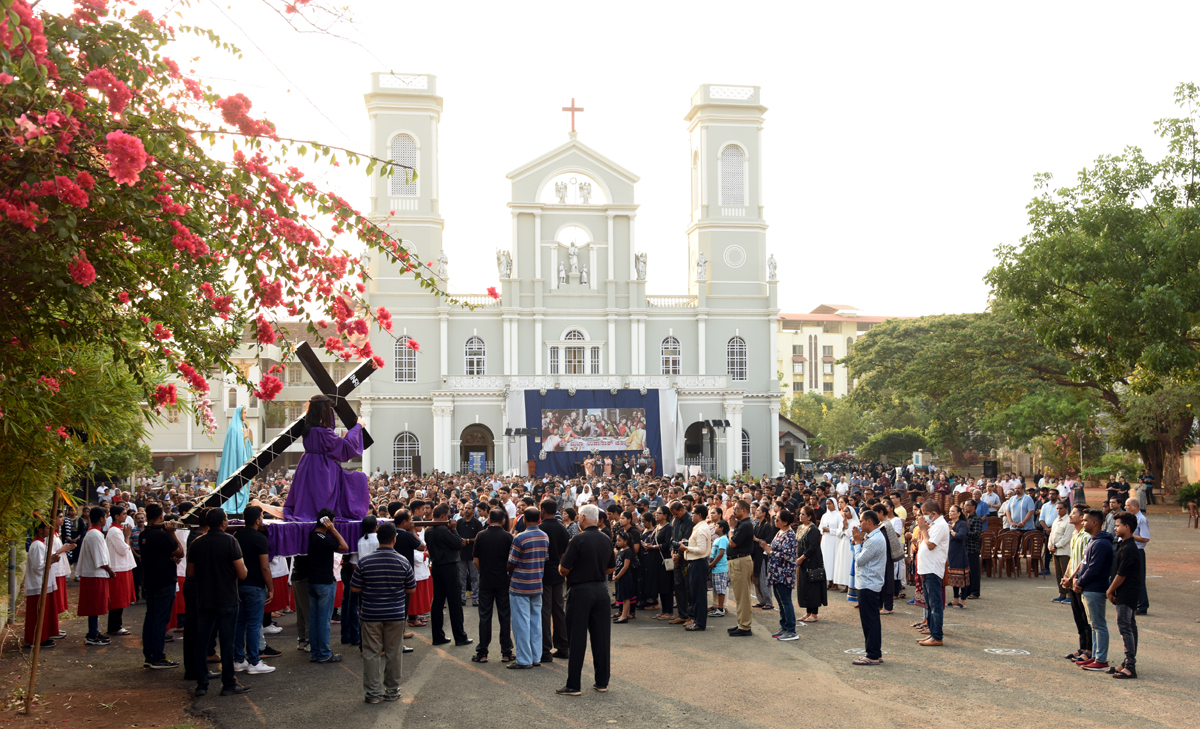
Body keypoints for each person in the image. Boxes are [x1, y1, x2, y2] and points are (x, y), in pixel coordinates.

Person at [352, 522, 417, 704]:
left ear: (378, 538)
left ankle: (373, 694)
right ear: (394, 539)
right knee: (394, 652)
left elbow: (355, 587)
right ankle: (392, 691)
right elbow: (411, 589)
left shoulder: (365, 561)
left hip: (370, 613)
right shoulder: (402, 561)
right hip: (395, 614)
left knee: (371, 653)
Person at [188, 508, 250, 697]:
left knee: (202, 641)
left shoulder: (197, 543)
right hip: (227, 598)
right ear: (224, 522)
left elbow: (190, 573)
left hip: (205, 598)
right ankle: (228, 683)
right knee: (227, 642)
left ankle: (202, 683)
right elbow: (242, 573)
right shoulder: (230, 541)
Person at [556, 504, 615, 696]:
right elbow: (610, 569)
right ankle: (602, 681)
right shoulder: (606, 539)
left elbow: (564, 569)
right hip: (600, 590)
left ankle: (574, 685)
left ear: (582, 518)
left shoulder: (578, 540)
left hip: (580, 591)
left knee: (577, 638)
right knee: (601, 637)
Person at [283, 394, 370, 522]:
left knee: (308, 494)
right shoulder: (324, 432)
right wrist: (358, 426)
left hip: (306, 465)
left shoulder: (307, 429)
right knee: (357, 479)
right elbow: (345, 446)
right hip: (322, 469)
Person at [139, 504, 184, 669]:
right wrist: (172, 533)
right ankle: (158, 656)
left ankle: (149, 655)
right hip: (164, 581)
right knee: (160, 619)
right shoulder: (162, 535)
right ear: (160, 517)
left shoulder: (144, 534)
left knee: (150, 617)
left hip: (150, 580)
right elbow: (180, 552)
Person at [233, 506, 275, 674]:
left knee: (240, 623)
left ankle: (238, 659)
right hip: (255, 585)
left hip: (239, 584)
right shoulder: (259, 538)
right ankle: (254, 662)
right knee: (253, 624)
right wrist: (270, 588)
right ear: (258, 519)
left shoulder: (237, 536)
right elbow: (265, 567)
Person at [1072, 509, 1114, 671]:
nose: (1083, 523)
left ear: (1095, 523)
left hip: (1095, 588)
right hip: (1089, 588)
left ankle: (1101, 660)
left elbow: (1094, 569)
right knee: (1094, 624)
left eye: (1086, 520)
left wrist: (1080, 582)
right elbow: (1084, 564)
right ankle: (1096, 656)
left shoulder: (1102, 543)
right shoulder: (1094, 541)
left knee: (1099, 625)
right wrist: (1075, 580)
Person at [505, 506, 546, 668]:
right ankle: (536, 657)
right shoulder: (545, 537)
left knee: (521, 623)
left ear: (524, 519)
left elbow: (511, 563)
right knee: (536, 622)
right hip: (537, 583)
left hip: (520, 585)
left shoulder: (520, 538)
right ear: (539, 520)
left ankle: (524, 659)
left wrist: (509, 571)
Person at [472, 508, 515, 663]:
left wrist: (483, 571)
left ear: (488, 520)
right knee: (504, 616)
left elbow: (476, 560)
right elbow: (512, 561)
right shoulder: (508, 537)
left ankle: (482, 652)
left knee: (485, 616)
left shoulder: (481, 536)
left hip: (486, 580)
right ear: (503, 521)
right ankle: (506, 651)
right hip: (503, 580)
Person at [427, 503, 472, 646]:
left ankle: (438, 636)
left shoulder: (428, 529)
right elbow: (458, 543)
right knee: (455, 603)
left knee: (438, 602)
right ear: (442, 516)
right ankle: (460, 637)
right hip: (449, 567)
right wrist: (454, 529)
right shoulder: (442, 530)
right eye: (447, 516)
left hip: (436, 566)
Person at [308, 508, 349, 663]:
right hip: (324, 582)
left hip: (313, 581)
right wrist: (333, 530)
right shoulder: (323, 538)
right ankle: (324, 653)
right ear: (327, 522)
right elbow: (344, 546)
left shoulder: (312, 535)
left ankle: (315, 652)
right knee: (323, 620)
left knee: (314, 619)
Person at [1107, 512, 1142, 679]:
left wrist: (1110, 590)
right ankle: (1126, 662)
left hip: (1127, 593)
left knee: (1125, 626)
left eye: (1118, 525)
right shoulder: (1123, 545)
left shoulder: (1130, 548)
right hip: (1124, 592)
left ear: (1126, 527)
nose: (1115, 528)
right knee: (1129, 625)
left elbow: (1122, 574)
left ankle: (1130, 666)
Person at [851, 509, 886, 665]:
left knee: (869, 620)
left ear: (869, 522)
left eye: (861, 521)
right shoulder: (873, 537)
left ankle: (872, 655)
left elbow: (860, 561)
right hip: (869, 582)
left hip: (869, 584)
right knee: (871, 619)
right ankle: (875, 653)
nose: (859, 524)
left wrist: (858, 544)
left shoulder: (875, 539)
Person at [1061, 504, 1093, 664]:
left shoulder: (1086, 537)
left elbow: (1083, 561)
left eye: (1073, 513)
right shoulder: (1075, 534)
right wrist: (1066, 575)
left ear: (1082, 517)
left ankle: (1089, 650)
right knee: (1077, 616)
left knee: (1085, 616)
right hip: (1072, 580)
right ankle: (1082, 647)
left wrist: (1072, 577)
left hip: (1080, 581)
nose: (1070, 515)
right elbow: (1073, 558)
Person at [539, 499, 571, 661]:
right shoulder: (562, 528)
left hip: (543, 573)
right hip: (558, 571)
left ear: (542, 510)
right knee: (558, 610)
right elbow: (565, 551)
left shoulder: (540, 529)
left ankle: (545, 650)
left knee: (545, 611)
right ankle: (563, 646)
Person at [77, 506, 113, 646]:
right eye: (105, 517)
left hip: (95, 574)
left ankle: (94, 631)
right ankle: (92, 634)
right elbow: (100, 558)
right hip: (94, 574)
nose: (106, 519)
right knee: (94, 605)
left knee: (96, 605)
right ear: (101, 519)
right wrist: (110, 570)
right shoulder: (95, 535)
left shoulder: (95, 533)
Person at [915, 500, 949, 646]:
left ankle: (937, 636)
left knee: (935, 605)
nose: (923, 517)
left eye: (925, 514)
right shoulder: (935, 525)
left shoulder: (941, 525)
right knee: (930, 604)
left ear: (933, 514)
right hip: (926, 569)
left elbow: (930, 545)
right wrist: (925, 529)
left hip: (933, 569)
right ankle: (932, 633)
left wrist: (923, 529)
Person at [760, 510, 798, 641]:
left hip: (784, 573)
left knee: (786, 600)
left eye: (778, 520)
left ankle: (791, 629)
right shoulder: (780, 532)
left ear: (786, 522)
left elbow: (787, 555)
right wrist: (767, 547)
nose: (775, 521)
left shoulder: (790, 535)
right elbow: (777, 548)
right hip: (776, 571)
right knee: (780, 601)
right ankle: (784, 626)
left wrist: (771, 552)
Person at [23, 521, 60, 649]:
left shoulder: (41, 544)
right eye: (47, 529)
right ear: (40, 530)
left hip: (44, 583)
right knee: (38, 614)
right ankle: (36, 638)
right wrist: (52, 560)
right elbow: (38, 567)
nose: (50, 531)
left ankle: (43, 636)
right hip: (38, 585)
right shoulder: (37, 545)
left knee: (44, 613)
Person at [345, 515, 379, 646]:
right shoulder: (380, 540)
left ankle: (362, 637)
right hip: (378, 580)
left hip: (363, 580)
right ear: (376, 526)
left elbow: (354, 564)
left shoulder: (359, 541)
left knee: (362, 610)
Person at [724, 500, 754, 636]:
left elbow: (733, 543)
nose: (734, 511)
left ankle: (745, 626)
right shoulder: (742, 524)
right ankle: (741, 623)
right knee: (739, 595)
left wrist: (731, 528)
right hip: (737, 561)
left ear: (744, 510)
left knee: (743, 596)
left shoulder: (746, 525)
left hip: (741, 561)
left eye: (736, 509)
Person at [106, 505, 135, 636]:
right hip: (118, 568)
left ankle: (116, 625)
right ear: (116, 516)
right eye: (123, 514)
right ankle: (114, 626)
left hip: (123, 567)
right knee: (117, 599)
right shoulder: (114, 531)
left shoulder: (118, 530)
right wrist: (127, 537)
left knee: (121, 598)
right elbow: (123, 550)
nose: (126, 516)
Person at [682, 504, 713, 632]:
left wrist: (686, 548)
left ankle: (700, 622)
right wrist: (687, 543)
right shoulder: (699, 527)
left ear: (699, 515)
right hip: (696, 563)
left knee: (698, 594)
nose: (691, 515)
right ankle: (698, 621)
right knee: (696, 593)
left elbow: (701, 549)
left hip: (698, 562)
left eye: (693, 513)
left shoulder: (701, 529)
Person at [794, 506, 827, 623]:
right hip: (801, 561)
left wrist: (802, 558)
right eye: (800, 514)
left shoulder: (813, 529)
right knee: (805, 587)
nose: (800, 516)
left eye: (803, 514)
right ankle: (808, 612)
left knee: (813, 587)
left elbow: (813, 547)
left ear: (809, 517)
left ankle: (814, 614)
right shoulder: (800, 527)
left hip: (812, 562)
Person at [668, 501, 693, 625]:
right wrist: (673, 553)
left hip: (687, 558)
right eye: (673, 514)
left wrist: (678, 554)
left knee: (688, 587)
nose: (675, 516)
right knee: (678, 586)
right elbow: (674, 538)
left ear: (683, 509)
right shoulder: (676, 520)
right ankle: (682, 614)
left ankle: (691, 615)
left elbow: (687, 541)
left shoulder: (690, 520)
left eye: (676, 514)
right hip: (677, 557)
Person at [1124, 497, 1150, 615]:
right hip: (1130, 550)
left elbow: (1145, 538)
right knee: (1131, 578)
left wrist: (1130, 535)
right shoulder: (1131, 519)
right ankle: (1134, 603)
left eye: (1128, 505)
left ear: (1135, 506)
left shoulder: (1141, 519)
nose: (1125, 508)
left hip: (1138, 551)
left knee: (1139, 578)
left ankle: (1142, 605)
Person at [457, 503, 483, 607]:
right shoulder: (459, 523)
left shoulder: (477, 523)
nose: (466, 510)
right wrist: (460, 541)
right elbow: (455, 535)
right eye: (465, 508)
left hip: (473, 554)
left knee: (474, 577)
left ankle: (475, 597)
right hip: (461, 554)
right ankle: (462, 598)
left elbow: (479, 538)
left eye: (469, 508)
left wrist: (467, 541)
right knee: (461, 577)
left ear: (473, 510)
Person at [752, 504, 777, 611]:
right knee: (755, 578)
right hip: (755, 555)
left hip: (763, 556)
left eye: (758, 510)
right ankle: (761, 600)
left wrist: (757, 540)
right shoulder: (756, 525)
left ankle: (768, 602)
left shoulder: (767, 526)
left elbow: (768, 541)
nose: (756, 512)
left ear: (763, 513)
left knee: (763, 578)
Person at [1048, 501, 1074, 604]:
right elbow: (1052, 535)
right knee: (1058, 574)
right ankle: (1062, 594)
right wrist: (1050, 546)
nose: (1059, 510)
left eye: (1061, 508)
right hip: (1055, 551)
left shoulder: (1069, 521)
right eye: (1057, 508)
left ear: (1066, 509)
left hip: (1064, 551)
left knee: (1066, 573)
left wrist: (1056, 546)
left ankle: (1069, 595)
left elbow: (1066, 538)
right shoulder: (1056, 520)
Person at [946, 505, 968, 609]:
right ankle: (955, 599)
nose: (950, 513)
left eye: (953, 511)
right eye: (950, 511)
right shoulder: (950, 523)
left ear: (959, 513)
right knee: (954, 577)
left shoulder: (962, 523)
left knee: (962, 577)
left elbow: (961, 536)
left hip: (960, 553)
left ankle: (963, 601)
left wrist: (951, 531)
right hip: (951, 553)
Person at [612, 533, 636, 623]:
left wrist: (618, 576)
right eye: (617, 540)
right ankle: (622, 614)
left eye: (619, 540)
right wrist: (614, 573)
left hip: (625, 577)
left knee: (626, 597)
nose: (617, 542)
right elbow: (617, 564)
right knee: (622, 596)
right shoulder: (620, 550)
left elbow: (625, 566)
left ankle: (624, 616)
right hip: (619, 577)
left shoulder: (628, 551)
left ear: (626, 542)